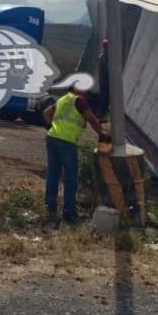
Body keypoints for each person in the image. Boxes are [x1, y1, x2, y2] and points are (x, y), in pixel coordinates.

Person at [43, 87, 108, 225]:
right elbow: (91, 118)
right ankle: (69, 213)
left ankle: (49, 208)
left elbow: (46, 113)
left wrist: (51, 128)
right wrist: (103, 135)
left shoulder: (62, 99)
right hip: (67, 142)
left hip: (52, 138)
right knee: (71, 178)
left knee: (53, 174)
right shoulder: (79, 101)